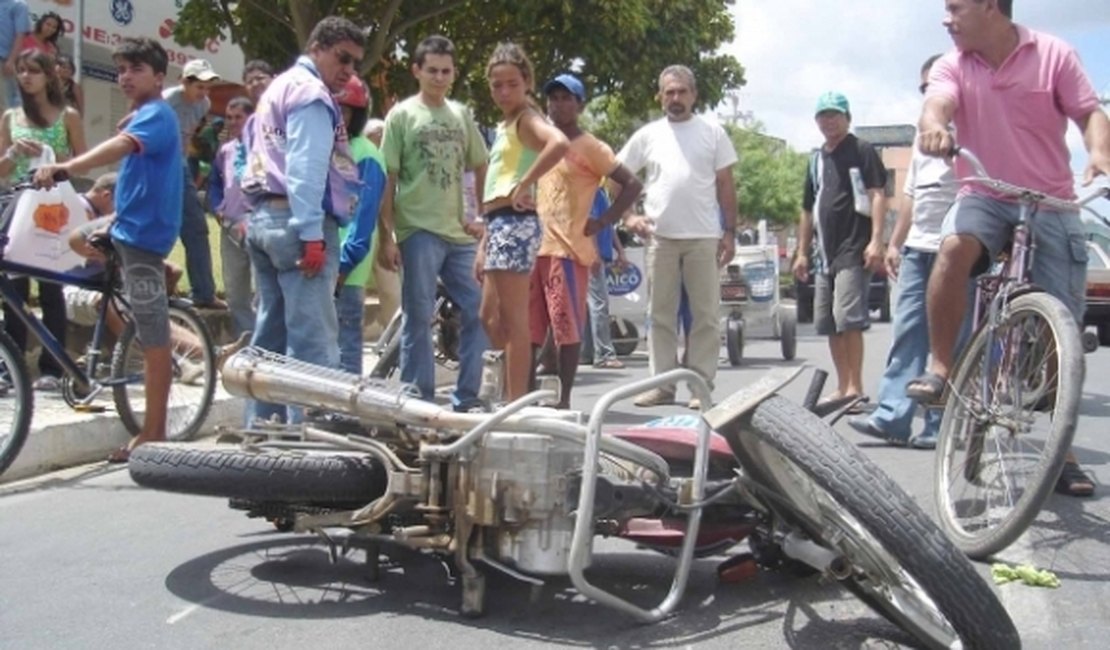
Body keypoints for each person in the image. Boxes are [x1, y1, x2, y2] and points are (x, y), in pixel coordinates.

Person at [910, 0, 1110, 496]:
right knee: (954, 248)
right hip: (984, 191)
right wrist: (935, 126)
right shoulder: (953, 63)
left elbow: (1089, 112)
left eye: (955, 7)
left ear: (988, 7)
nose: (946, 18)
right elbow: (937, 104)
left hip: (1052, 201)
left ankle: (1060, 454)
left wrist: (1101, 152)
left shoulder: (1054, 54)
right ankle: (940, 367)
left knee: (1060, 332)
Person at [34, 37, 184, 462]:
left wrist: (66, 167)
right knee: (76, 240)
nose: (125, 77)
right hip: (123, 227)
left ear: (159, 77)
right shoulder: (141, 115)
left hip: (143, 238)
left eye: (136, 69)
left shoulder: (157, 115)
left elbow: (117, 149)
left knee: (154, 339)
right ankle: (146, 278)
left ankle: (153, 433)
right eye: (121, 70)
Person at [240, 15, 363, 424]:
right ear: (317, 48)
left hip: (264, 220)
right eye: (342, 58)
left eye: (354, 63)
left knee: (270, 339)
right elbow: (305, 171)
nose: (348, 71)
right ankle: (311, 450)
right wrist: (312, 235)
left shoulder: (277, 87)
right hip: (297, 224)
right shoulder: (312, 94)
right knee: (312, 345)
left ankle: (261, 436)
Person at [848, 55, 964, 450]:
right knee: (907, 332)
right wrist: (894, 243)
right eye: (925, 88)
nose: (931, 94)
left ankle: (938, 425)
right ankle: (892, 417)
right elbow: (912, 197)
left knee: (949, 341)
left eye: (937, 85)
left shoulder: (977, 128)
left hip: (959, 248)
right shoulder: (922, 137)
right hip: (919, 248)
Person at [376, 35, 491, 411]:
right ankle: (417, 399)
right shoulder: (402, 115)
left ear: (454, 73)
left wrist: (480, 214)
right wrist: (387, 236)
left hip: (458, 233)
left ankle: (467, 396)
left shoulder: (460, 114)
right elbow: (387, 178)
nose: (440, 78)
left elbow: (481, 161)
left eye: (446, 71)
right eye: (432, 71)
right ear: (417, 71)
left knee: (479, 309)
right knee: (419, 315)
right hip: (418, 230)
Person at [618, 64, 738, 409]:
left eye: (682, 91)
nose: (675, 98)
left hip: (704, 237)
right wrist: (629, 216)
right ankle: (662, 386)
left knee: (705, 316)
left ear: (694, 95)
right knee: (659, 315)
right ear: (660, 96)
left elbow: (726, 185)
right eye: (669, 92)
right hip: (660, 238)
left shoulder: (713, 133)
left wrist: (729, 232)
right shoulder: (648, 135)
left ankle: (700, 386)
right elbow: (615, 177)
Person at [529, 73, 641, 408]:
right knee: (533, 328)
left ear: (579, 105)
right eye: (554, 98)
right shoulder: (542, 142)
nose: (558, 104)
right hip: (537, 247)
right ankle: (523, 396)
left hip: (569, 249)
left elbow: (631, 184)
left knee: (567, 327)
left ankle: (564, 399)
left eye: (566, 98)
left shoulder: (592, 147)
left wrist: (605, 221)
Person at [477, 42, 569, 404]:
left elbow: (558, 143)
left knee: (514, 322)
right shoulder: (506, 123)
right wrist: (484, 241)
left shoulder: (528, 119)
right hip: (498, 222)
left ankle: (516, 403)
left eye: (512, 84)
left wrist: (525, 182)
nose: (503, 92)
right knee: (489, 317)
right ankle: (518, 389)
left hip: (516, 223)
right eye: (497, 85)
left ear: (527, 82)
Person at [792, 91, 887, 411]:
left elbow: (877, 194)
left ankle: (856, 388)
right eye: (823, 115)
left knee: (848, 317)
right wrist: (802, 252)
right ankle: (842, 384)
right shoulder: (816, 159)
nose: (828, 121)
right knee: (829, 321)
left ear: (847, 117)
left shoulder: (861, 150)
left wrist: (877, 240)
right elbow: (807, 209)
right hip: (824, 253)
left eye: (834, 114)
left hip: (853, 247)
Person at [0, 48, 87, 390]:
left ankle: (53, 367)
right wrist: (14, 152)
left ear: (49, 75)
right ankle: (13, 365)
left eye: (34, 70)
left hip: (51, 208)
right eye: (22, 70)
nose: (26, 77)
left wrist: (55, 158)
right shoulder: (10, 117)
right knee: (13, 289)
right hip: (15, 203)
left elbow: (84, 161)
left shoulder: (68, 115)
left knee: (51, 287)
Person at [162, 57, 224, 309]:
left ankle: (204, 293)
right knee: (160, 227)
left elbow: (188, 135)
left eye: (207, 87)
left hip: (181, 166)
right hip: (158, 169)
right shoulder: (166, 100)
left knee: (197, 226)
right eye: (199, 86)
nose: (204, 93)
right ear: (184, 82)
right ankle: (141, 286)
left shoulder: (204, 105)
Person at [333, 75, 385, 375]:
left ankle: (345, 414)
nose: (339, 116)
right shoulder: (325, 146)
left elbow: (363, 221)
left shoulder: (366, 153)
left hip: (346, 272)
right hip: (320, 261)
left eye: (346, 110)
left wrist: (343, 265)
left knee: (346, 345)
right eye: (334, 108)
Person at [207, 96, 255, 337]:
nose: (233, 122)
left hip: (257, 226)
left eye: (239, 117)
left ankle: (269, 345)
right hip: (230, 226)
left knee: (266, 290)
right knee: (236, 291)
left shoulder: (263, 146)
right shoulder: (225, 150)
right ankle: (246, 341)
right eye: (229, 117)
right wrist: (217, 207)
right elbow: (214, 182)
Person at [580, 187, 628, 369]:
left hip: (599, 254)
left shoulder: (600, 191)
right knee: (599, 303)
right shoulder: (588, 190)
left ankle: (587, 352)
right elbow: (587, 224)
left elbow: (608, 225)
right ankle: (604, 354)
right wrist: (593, 253)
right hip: (590, 255)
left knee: (589, 304)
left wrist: (620, 251)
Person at [0, 0, 29, 110]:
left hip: (3, 59)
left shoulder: (18, 5)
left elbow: (20, 35)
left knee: (5, 103)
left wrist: (12, 60)